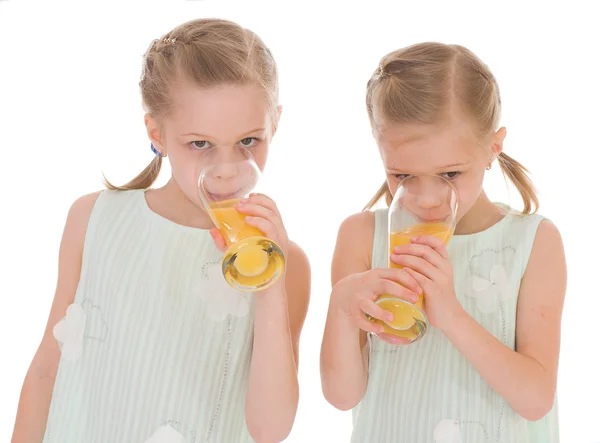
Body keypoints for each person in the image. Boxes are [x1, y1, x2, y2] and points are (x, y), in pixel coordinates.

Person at [12, 18, 310, 443]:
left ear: (274, 125)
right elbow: (47, 369)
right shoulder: (94, 220)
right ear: (157, 133)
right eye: (200, 144)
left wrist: (269, 291)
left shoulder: (284, 262)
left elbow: (270, 429)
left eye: (248, 141)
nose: (226, 170)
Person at [320, 42, 566, 443]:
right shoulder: (363, 237)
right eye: (403, 176)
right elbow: (342, 395)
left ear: (493, 147)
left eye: (450, 174)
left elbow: (536, 399)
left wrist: (451, 315)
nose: (428, 198)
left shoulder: (533, 242)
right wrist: (342, 310)